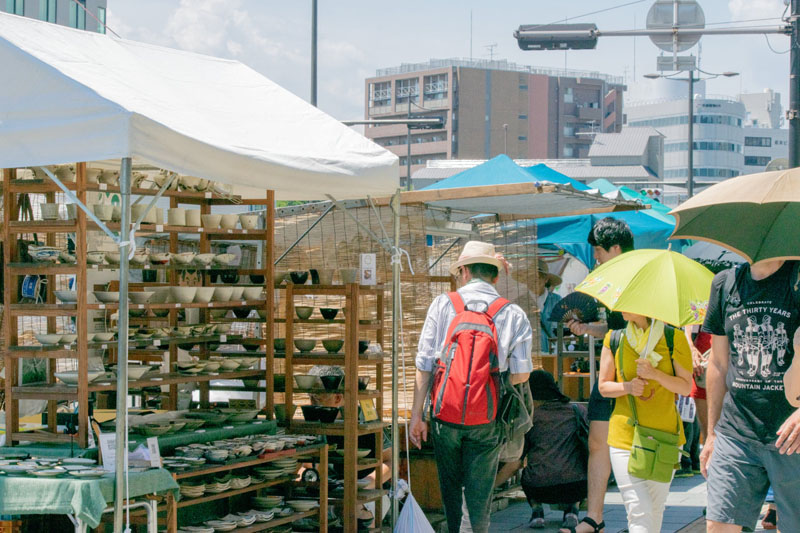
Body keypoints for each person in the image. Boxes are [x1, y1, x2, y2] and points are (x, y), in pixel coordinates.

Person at [409, 240, 533, 533]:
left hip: (444, 415)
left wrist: (418, 416)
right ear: (497, 275)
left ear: (463, 271)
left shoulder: (443, 304)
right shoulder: (512, 313)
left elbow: (424, 363)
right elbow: (521, 374)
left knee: (451, 491)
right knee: (479, 499)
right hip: (488, 418)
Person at [700, 259, 800, 533]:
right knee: (718, 526)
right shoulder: (725, 283)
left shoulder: (797, 277)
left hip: (792, 436)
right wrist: (711, 434)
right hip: (736, 432)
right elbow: (719, 365)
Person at [561, 217, 634, 533]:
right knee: (597, 441)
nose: (596, 258)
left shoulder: (637, 277)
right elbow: (618, 328)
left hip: (635, 372)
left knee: (633, 445)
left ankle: (639, 519)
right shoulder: (614, 279)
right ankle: (595, 518)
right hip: (610, 368)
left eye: (599, 252)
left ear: (615, 248)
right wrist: (590, 329)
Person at [598, 313, 693, 533]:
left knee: (655, 509)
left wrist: (654, 374)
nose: (622, 305)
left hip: (665, 438)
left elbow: (685, 387)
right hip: (625, 438)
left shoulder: (673, 338)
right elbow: (603, 386)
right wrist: (628, 387)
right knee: (639, 510)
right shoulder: (614, 339)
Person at [306, 365, 392, 526]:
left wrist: (363, 487)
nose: (311, 404)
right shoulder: (312, 420)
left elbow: (390, 463)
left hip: (367, 489)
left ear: (338, 398)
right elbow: (305, 466)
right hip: (326, 491)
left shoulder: (366, 417)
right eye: (310, 397)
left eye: (316, 399)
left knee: (354, 514)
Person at [510, 370, 588, 530]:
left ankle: (537, 511)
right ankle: (572, 510)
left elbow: (517, 461)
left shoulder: (531, 419)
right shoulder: (577, 411)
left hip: (539, 487)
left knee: (526, 474)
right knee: (579, 470)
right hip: (576, 486)